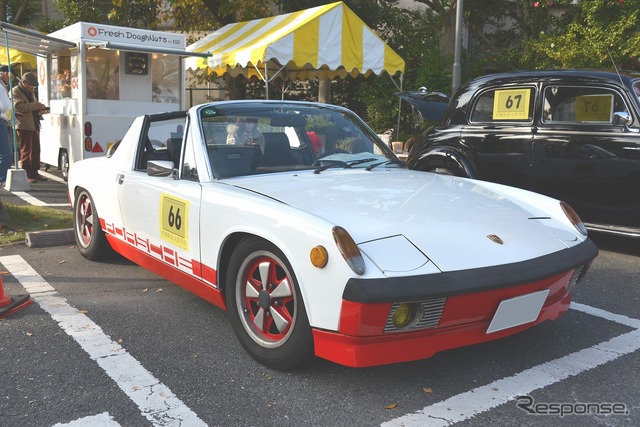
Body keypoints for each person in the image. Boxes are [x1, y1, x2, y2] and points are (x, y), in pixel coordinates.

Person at [12, 72, 48, 183]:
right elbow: (19, 107)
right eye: (31, 85)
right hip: (23, 125)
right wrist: (36, 105)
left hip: (34, 124)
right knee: (26, 150)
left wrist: (41, 108)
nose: (32, 87)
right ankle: (26, 174)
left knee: (36, 149)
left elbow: (32, 105)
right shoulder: (15, 91)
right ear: (24, 82)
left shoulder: (30, 91)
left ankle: (35, 172)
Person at [0, 65, 14, 184]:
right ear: (5, 74)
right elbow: (4, 106)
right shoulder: (1, 86)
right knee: (6, 153)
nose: (11, 78)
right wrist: (12, 117)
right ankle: (3, 178)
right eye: (11, 76)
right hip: (1, 120)